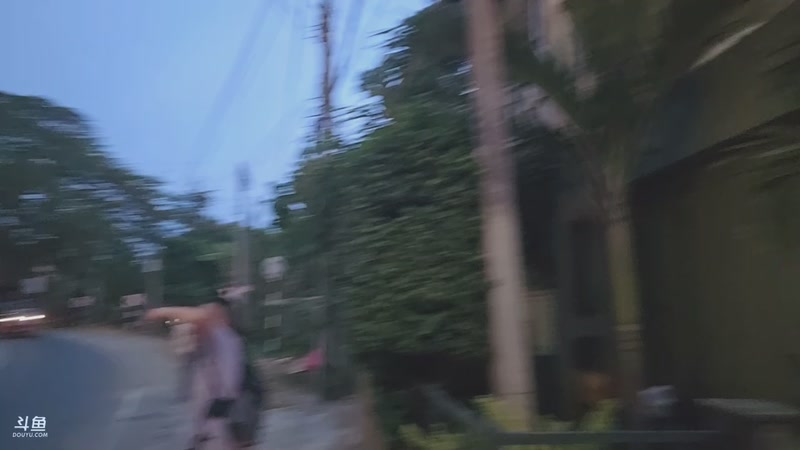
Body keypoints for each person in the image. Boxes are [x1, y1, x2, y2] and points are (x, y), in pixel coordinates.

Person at [144, 297, 244, 450]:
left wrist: (160, 312)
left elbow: (202, 316)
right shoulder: (225, 341)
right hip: (213, 424)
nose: (194, 327)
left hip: (217, 424)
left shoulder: (220, 336)